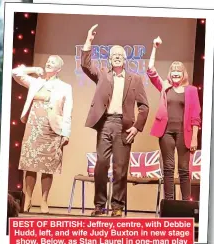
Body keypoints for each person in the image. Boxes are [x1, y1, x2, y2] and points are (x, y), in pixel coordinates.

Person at [81, 24, 149, 217]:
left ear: (125, 58)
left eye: (120, 54)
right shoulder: (102, 74)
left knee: (120, 168)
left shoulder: (135, 79)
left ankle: (117, 207)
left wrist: (137, 127)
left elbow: (144, 106)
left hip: (125, 126)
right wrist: (89, 40)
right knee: (101, 163)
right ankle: (99, 206)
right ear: (109, 59)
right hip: (106, 124)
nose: (117, 56)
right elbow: (86, 65)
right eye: (114, 54)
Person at [12, 55, 73, 213]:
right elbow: (15, 73)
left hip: (52, 130)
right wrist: (33, 69)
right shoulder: (36, 82)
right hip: (33, 128)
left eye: (53, 63)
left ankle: (44, 201)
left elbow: (68, 112)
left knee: (47, 167)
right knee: (30, 165)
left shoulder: (65, 87)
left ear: (58, 69)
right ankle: (28, 199)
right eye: (48, 61)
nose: (49, 63)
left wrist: (66, 134)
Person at [147, 36, 201, 200]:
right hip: (166, 133)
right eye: (173, 71)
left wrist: (194, 138)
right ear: (170, 74)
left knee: (184, 169)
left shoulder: (191, 90)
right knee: (169, 168)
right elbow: (150, 70)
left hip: (184, 134)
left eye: (179, 71)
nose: (176, 73)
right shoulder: (165, 86)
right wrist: (154, 48)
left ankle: (186, 204)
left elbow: (196, 117)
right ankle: (169, 204)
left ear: (183, 74)